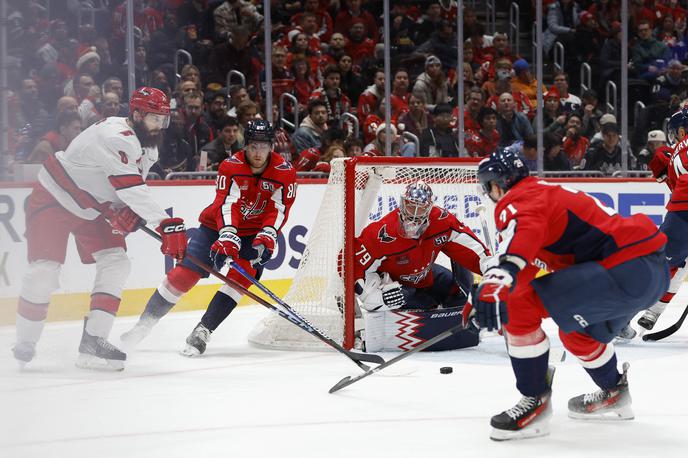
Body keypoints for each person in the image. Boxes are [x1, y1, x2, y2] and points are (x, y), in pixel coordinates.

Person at [471, 149, 668, 440]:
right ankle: (615, 392)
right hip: (650, 274)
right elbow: (525, 265)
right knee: (578, 335)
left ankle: (534, 401)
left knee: (516, 304)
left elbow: (523, 235)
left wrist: (500, 279)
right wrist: (480, 294)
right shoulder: (542, 193)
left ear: (497, 185)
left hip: (623, 269)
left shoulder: (518, 200)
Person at [11, 87, 188, 370]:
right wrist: (166, 223)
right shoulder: (114, 136)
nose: (159, 126)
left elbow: (130, 188)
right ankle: (26, 341)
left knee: (117, 263)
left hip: (93, 207)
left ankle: (94, 342)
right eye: (155, 119)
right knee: (44, 271)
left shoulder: (149, 146)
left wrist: (126, 210)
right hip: (55, 197)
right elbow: (129, 186)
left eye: (164, 120)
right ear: (137, 114)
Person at [121, 120, 297, 356]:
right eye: (253, 146)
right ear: (245, 146)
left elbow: (279, 209)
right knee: (183, 275)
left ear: (271, 147)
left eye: (263, 147)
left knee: (239, 281)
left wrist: (267, 235)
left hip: (253, 234)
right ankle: (143, 327)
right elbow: (227, 204)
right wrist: (227, 235)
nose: (258, 153)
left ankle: (203, 330)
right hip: (216, 227)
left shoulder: (285, 172)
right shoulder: (230, 166)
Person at [352, 180, 492, 352]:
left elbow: (469, 247)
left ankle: (462, 317)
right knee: (421, 304)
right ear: (403, 203)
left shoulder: (441, 220)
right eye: (411, 206)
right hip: (400, 286)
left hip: (426, 276)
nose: (415, 213)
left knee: (456, 289)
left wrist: (492, 269)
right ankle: (424, 309)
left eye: (422, 208)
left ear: (430, 207)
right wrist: (376, 298)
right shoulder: (382, 233)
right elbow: (354, 265)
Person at [635, 109, 688, 331]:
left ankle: (624, 314)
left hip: (682, 212)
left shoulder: (669, 151)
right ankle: (651, 312)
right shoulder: (670, 152)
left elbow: (664, 173)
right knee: (676, 266)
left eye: (677, 132)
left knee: (663, 265)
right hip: (682, 210)